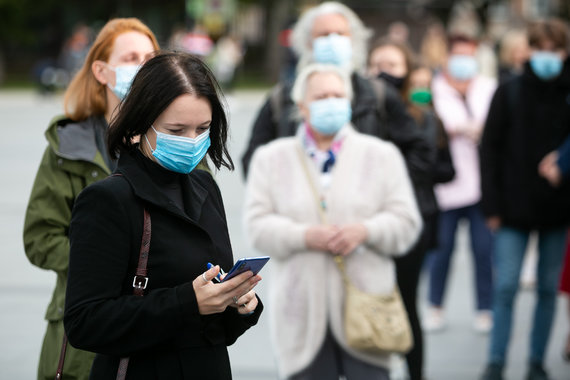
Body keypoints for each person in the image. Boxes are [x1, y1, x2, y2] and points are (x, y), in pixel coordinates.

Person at [64, 51, 263, 379]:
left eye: (203, 128)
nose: (193, 140)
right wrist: (188, 303)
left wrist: (238, 305)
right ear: (139, 125)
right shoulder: (107, 200)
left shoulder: (204, 186)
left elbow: (216, 331)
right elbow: (84, 322)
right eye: (177, 129)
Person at [244, 63, 422, 380]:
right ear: (301, 106)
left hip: (367, 309)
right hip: (301, 312)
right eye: (321, 95)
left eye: (338, 95)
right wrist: (304, 236)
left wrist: (366, 231)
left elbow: (406, 223)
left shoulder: (381, 155)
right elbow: (257, 226)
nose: (331, 102)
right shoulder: (271, 158)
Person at [23, 18, 159, 380]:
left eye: (151, 57)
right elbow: (40, 237)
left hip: (158, 325)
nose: (144, 67)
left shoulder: (178, 142)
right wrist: (102, 264)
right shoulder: (69, 145)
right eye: (132, 57)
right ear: (101, 70)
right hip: (81, 337)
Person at [240, 1, 433, 187]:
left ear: (353, 40)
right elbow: (253, 161)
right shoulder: (282, 98)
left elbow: (419, 152)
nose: (332, 40)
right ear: (307, 42)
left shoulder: (378, 95)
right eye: (324, 34)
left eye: (340, 34)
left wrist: (383, 190)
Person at [479, 18, 570, 380]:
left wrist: (563, 163)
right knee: (506, 286)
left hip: (559, 207)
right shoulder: (510, 90)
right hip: (512, 207)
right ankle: (496, 360)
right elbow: (489, 148)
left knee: (548, 289)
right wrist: (492, 205)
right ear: (529, 50)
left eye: (555, 49)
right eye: (540, 48)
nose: (547, 56)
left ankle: (536, 361)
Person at [367, 38, 454, 380]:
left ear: (406, 72)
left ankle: (414, 373)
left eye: (391, 66)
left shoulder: (420, 114)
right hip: (366, 221)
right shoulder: (364, 107)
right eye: (376, 65)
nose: (381, 73)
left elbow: (426, 164)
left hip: (409, 219)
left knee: (404, 303)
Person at [424, 34, 497, 333]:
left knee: (484, 251)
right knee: (441, 252)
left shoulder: (489, 87)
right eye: (459, 55)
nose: (464, 61)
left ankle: (484, 309)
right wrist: (462, 128)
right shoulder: (433, 89)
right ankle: (435, 306)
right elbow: (433, 125)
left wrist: (474, 129)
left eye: (470, 55)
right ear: (447, 58)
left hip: (482, 187)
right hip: (447, 187)